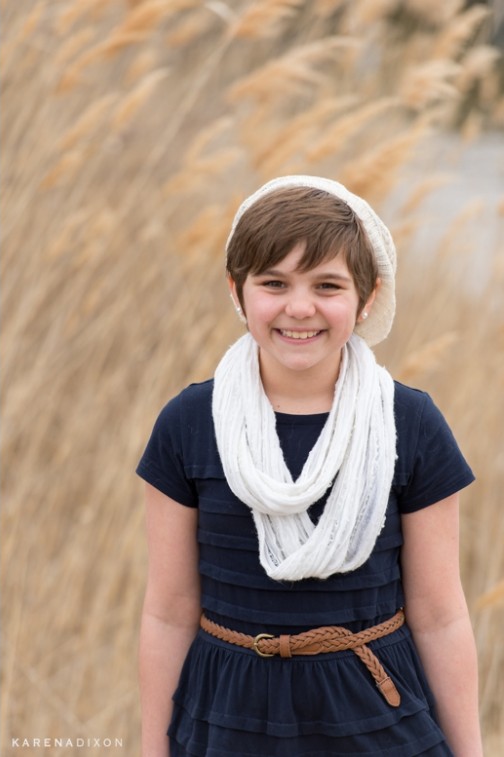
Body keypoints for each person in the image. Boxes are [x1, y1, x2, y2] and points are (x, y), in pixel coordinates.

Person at [137, 175, 482, 756]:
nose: (300, 308)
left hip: (377, 719)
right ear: (237, 290)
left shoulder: (410, 423)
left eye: (328, 285)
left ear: (367, 296)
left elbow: (441, 614)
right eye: (274, 283)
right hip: (227, 719)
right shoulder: (190, 422)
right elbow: (169, 612)